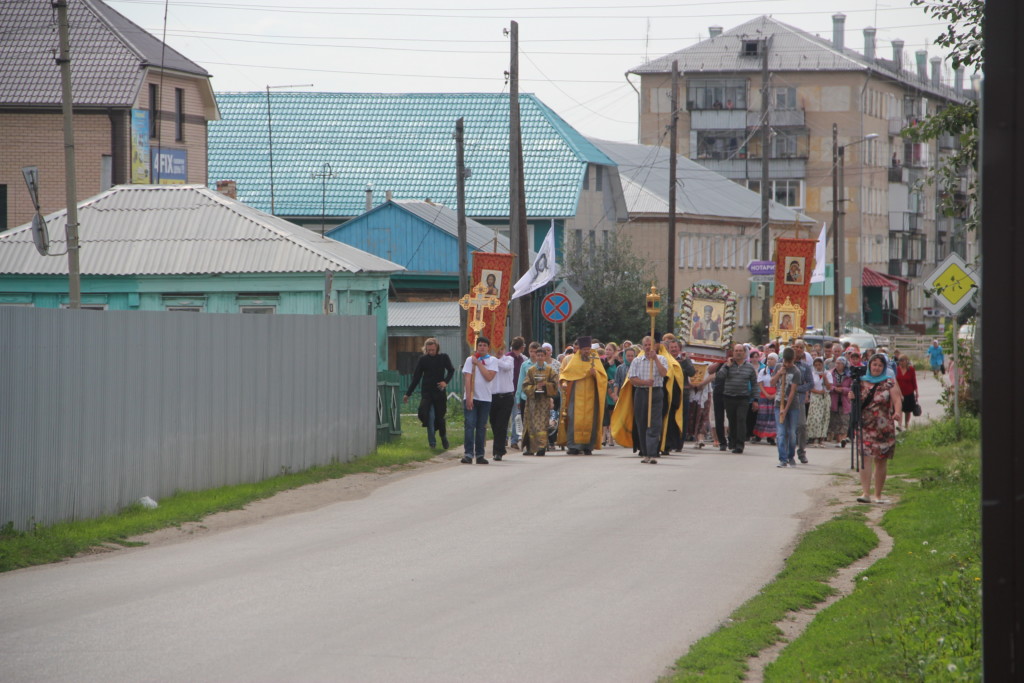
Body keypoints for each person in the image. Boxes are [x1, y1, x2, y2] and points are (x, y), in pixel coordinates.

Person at [854, 354, 903, 503]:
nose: (876, 368)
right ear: (869, 365)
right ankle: (865, 493)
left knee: (881, 460)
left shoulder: (889, 383)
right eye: (874, 364)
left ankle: (878, 495)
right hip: (865, 426)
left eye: (880, 365)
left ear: (884, 368)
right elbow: (855, 403)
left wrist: (897, 412)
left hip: (883, 427)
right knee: (865, 458)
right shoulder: (860, 382)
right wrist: (852, 396)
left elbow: (896, 399)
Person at [557, 336, 607, 454]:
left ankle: (588, 446)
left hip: (591, 395)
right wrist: (565, 382)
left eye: (588, 349)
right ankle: (574, 446)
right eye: (584, 349)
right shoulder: (574, 360)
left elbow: (603, 378)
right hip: (576, 394)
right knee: (574, 418)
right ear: (580, 349)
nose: (586, 351)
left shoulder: (595, 359)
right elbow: (566, 374)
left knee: (591, 420)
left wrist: (595, 375)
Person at [403, 338, 455, 449]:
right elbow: (416, 377)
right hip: (427, 393)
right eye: (429, 350)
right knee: (428, 416)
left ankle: (443, 436)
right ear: (426, 349)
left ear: (437, 348)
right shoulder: (423, 360)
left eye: (433, 349)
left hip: (439, 393)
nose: (431, 352)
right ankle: (432, 443)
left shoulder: (443, 357)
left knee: (440, 418)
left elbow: (451, 370)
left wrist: (445, 382)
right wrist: (408, 393)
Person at [626, 335, 669, 463]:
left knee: (655, 423)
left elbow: (663, 373)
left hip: (656, 392)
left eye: (650, 344)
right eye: (645, 345)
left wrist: (655, 359)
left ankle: (652, 452)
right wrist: (644, 382)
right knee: (642, 423)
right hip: (641, 393)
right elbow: (632, 379)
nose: (648, 347)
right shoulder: (637, 361)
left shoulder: (662, 358)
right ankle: (645, 452)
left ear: (655, 346)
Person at [461, 336, 499, 464]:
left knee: (481, 427)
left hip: (485, 398)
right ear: (476, 347)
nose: (482, 347)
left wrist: (478, 363)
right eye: (480, 345)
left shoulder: (492, 360)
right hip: (472, 397)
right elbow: (467, 378)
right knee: (470, 425)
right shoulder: (469, 360)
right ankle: (468, 453)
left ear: (488, 348)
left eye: (484, 345)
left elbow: (489, 377)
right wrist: (468, 396)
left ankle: (480, 454)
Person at [720, 343, 759, 454]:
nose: (738, 353)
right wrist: (727, 366)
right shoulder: (728, 365)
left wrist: (755, 399)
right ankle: (732, 441)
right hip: (729, 397)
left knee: (741, 420)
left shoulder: (749, 367)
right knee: (732, 421)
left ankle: (739, 444)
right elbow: (720, 377)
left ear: (744, 353)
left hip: (743, 398)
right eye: (736, 351)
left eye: (740, 351)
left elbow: (754, 384)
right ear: (733, 352)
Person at [521, 345, 559, 457]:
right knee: (532, 424)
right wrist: (534, 388)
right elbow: (525, 385)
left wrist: (545, 385)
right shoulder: (531, 370)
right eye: (538, 355)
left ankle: (542, 447)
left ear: (545, 356)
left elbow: (555, 384)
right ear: (535, 357)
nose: (540, 357)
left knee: (542, 424)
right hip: (533, 402)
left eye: (542, 355)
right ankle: (531, 448)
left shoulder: (550, 370)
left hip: (544, 402)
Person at [771, 347, 802, 467]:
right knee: (781, 433)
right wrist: (779, 374)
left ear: (793, 359)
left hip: (792, 405)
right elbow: (772, 383)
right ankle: (782, 459)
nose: (787, 364)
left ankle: (791, 456)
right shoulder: (779, 367)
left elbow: (793, 392)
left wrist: (786, 408)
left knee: (792, 433)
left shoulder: (796, 371)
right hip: (778, 403)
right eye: (786, 361)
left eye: (790, 362)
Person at [487, 342, 517, 461]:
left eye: (501, 349)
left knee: (501, 424)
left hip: (506, 397)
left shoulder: (509, 359)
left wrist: (492, 359)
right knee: (494, 423)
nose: (499, 351)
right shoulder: (490, 361)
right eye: (496, 349)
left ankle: (498, 451)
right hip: (493, 397)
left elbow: (506, 367)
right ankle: (499, 447)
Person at [791, 339, 815, 464]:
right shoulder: (783, 364)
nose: (798, 349)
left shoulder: (805, 367)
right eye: (796, 347)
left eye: (801, 347)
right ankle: (787, 453)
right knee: (788, 427)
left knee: (801, 425)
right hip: (785, 399)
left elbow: (811, 383)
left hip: (798, 399)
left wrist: (798, 389)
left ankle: (801, 451)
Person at [505, 337, 527, 450]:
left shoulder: (521, 359)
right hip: (508, 390)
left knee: (515, 416)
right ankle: (504, 438)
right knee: (506, 416)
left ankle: (514, 440)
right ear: (521, 347)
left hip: (516, 391)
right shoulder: (509, 357)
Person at [753, 352, 778, 445]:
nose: (770, 361)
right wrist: (766, 394)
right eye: (769, 359)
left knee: (773, 417)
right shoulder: (763, 371)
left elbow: (780, 385)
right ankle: (758, 435)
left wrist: (774, 395)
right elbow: (760, 383)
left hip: (775, 395)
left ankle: (771, 437)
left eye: (772, 359)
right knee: (762, 416)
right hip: (764, 396)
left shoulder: (778, 372)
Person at [806, 357, 832, 446]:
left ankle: (822, 438)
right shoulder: (812, 374)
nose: (818, 367)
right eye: (816, 365)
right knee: (816, 417)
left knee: (824, 417)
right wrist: (818, 392)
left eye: (819, 365)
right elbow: (810, 387)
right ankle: (814, 437)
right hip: (815, 397)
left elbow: (829, 387)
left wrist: (825, 378)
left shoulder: (827, 373)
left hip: (825, 397)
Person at [828, 356, 852, 447]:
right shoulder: (831, 373)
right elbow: (828, 385)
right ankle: (838, 440)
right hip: (834, 399)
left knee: (845, 421)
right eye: (836, 363)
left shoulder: (849, 375)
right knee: (836, 421)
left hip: (844, 401)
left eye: (840, 363)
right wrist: (834, 388)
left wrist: (843, 389)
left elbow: (851, 387)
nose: (837, 365)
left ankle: (843, 439)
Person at [895, 354, 920, 430]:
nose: (901, 362)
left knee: (908, 410)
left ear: (906, 361)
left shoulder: (911, 370)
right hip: (899, 393)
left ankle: (906, 425)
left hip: (909, 392)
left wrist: (916, 391)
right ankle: (900, 425)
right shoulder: (896, 369)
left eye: (903, 360)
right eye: (900, 361)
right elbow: (895, 381)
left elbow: (914, 381)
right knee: (900, 409)